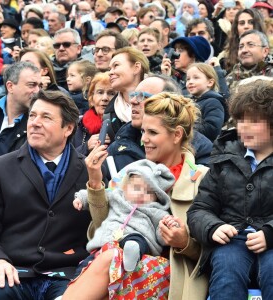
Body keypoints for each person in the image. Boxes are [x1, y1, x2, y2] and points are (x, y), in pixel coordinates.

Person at [63, 91, 210, 299]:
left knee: (111, 260)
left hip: (172, 275)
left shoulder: (202, 178)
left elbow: (214, 250)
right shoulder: (134, 171)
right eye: (142, 132)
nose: (144, 140)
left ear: (177, 135)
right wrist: (95, 182)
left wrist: (184, 242)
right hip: (122, 264)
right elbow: (105, 226)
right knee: (112, 262)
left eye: (152, 132)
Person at [0, 89, 95, 300]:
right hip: (11, 267)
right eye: (33, 115)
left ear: (68, 128)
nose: (35, 123)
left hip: (66, 273)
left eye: (46, 117)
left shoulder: (90, 171)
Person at [187, 79, 273, 300]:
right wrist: (213, 227)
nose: (243, 127)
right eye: (240, 120)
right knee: (226, 273)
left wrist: (270, 233)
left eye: (253, 121)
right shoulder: (224, 158)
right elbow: (199, 209)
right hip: (232, 240)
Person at [71, 159, 174, 277]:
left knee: (136, 241)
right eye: (136, 188)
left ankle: (131, 257)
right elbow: (99, 195)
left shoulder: (156, 211)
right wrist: (81, 199)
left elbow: (161, 234)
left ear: (157, 197)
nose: (141, 194)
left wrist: (169, 225)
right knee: (85, 265)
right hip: (106, 242)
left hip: (135, 239)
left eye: (149, 192)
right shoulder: (117, 196)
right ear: (125, 188)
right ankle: (75, 283)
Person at [107, 73, 213, 170]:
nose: (133, 101)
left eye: (142, 96)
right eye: (133, 95)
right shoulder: (117, 147)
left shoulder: (202, 149)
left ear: (169, 104)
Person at [0, 61, 41, 188]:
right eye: (32, 85)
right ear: (10, 86)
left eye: (39, 85)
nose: (37, 91)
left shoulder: (36, 126)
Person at [105, 46, 149, 140]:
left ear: (136, 68)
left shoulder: (158, 103)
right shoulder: (107, 114)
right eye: (109, 69)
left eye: (116, 65)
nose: (110, 72)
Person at [73, 71, 115, 156]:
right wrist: (86, 147)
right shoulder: (77, 126)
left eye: (111, 93)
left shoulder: (122, 125)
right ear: (91, 99)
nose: (105, 98)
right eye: (100, 92)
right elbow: (65, 159)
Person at [186, 63, 226, 142]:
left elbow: (212, 129)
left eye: (196, 78)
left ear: (210, 82)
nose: (190, 82)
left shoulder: (213, 102)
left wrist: (186, 127)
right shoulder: (187, 102)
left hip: (204, 147)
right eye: (188, 79)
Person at [218, 8, 266, 73]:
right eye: (242, 23)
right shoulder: (225, 58)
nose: (246, 26)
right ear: (236, 28)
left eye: (251, 22)